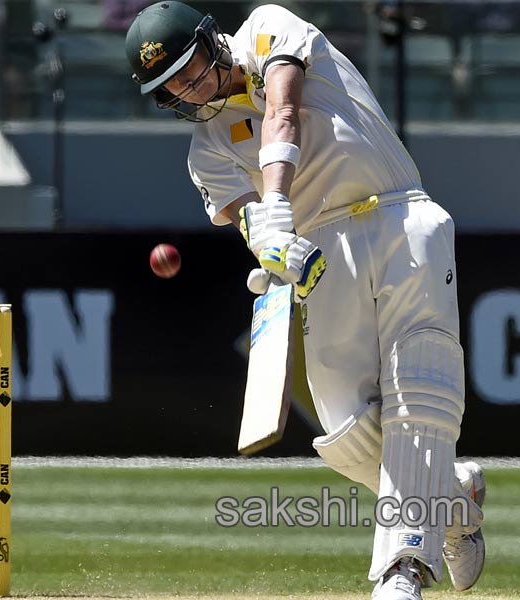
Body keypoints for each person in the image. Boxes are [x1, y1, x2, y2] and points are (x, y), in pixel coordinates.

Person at [125, 4, 484, 599]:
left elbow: (282, 113)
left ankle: (404, 572)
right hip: (321, 256)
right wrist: (270, 246)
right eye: (174, 91)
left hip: (398, 215)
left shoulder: (268, 28)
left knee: (418, 386)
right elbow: (248, 224)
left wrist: (276, 208)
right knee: (344, 434)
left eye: (191, 70)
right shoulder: (206, 152)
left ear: (211, 41)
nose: (191, 91)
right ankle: (453, 500)